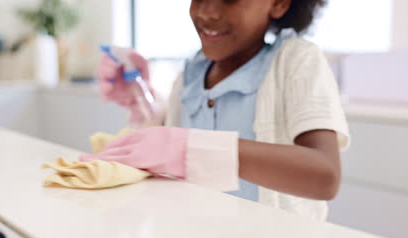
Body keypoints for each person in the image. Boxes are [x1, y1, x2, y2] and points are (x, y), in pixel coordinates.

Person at [81, 0, 350, 221]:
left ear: (279, 3)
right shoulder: (191, 72)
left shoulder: (296, 61)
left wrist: (190, 148)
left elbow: (325, 176)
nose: (206, 12)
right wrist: (141, 98)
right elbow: (169, 142)